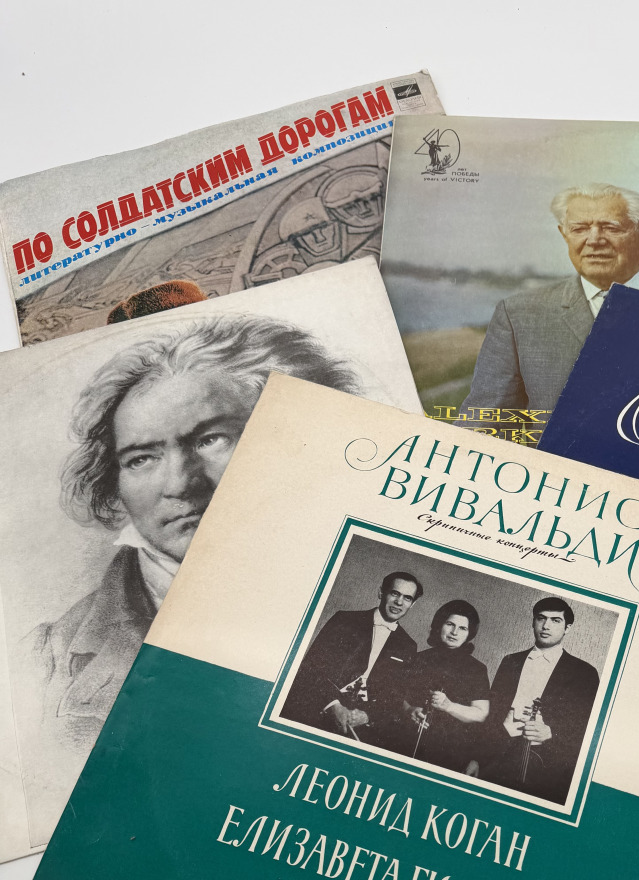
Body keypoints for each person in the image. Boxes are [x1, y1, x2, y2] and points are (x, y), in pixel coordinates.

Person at [33, 314, 357, 750]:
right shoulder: (47, 659)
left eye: (210, 439)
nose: (180, 484)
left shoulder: (360, 603)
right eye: (141, 458)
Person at [459, 183, 639, 432]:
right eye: (579, 228)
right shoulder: (519, 315)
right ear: (564, 234)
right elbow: (484, 424)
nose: (594, 240)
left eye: (611, 227)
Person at [280, 571, 422, 749]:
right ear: (381, 593)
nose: (399, 602)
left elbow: (394, 697)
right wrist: (333, 705)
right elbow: (310, 667)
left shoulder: (408, 645)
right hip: (320, 707)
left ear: (412, 604)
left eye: (407, 598)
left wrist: (367, 716)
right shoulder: (344, 620)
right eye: (394, 593)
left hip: (361, 726)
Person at [479, 597, 600, 805]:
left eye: (555, 620)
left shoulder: (585, 673)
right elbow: (492, 713)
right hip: (498, 755)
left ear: (567, 628)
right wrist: (477, 758)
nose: (546, 626)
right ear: (533, 622)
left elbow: (588, 730)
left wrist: (552, 732)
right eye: (541, 618)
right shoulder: (510, 661)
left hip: (547, 768)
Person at [400, 599, 490, 773]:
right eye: (450, 624)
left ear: (469, 633)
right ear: (439, 625)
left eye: (462, 628)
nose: (454, 632)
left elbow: (481, 714)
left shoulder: (477, 669)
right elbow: (398, 697)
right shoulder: (418, 659)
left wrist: (449, 706)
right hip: (408, 742)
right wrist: (410, 709)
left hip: (450, 752)